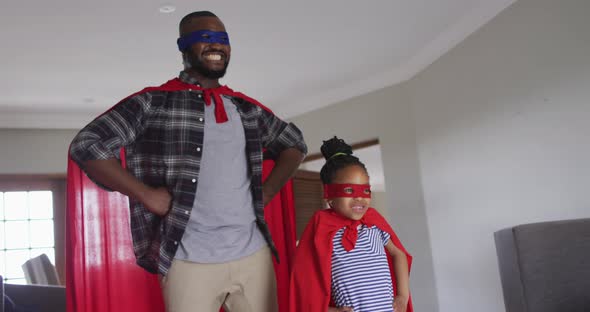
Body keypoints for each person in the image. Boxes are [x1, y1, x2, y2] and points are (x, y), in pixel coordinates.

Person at [69, 10, 307, 312]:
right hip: (188, 259)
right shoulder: (152, 103)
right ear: (183, 46)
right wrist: (146, 195)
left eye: (222, 39)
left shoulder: (246, 108)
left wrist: (268, 191)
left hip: (253, 255)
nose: (216, 46)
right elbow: (87, 144)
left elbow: (294, 144)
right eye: (204, 38)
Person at [289, 137, 412, 312]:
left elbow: (399, 254)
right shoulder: (321, 228)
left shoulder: (374, 223)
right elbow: (307, 285)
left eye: (365, 190)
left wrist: (403, 296)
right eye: (348, 190)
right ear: (330, 197)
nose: (359, 197)